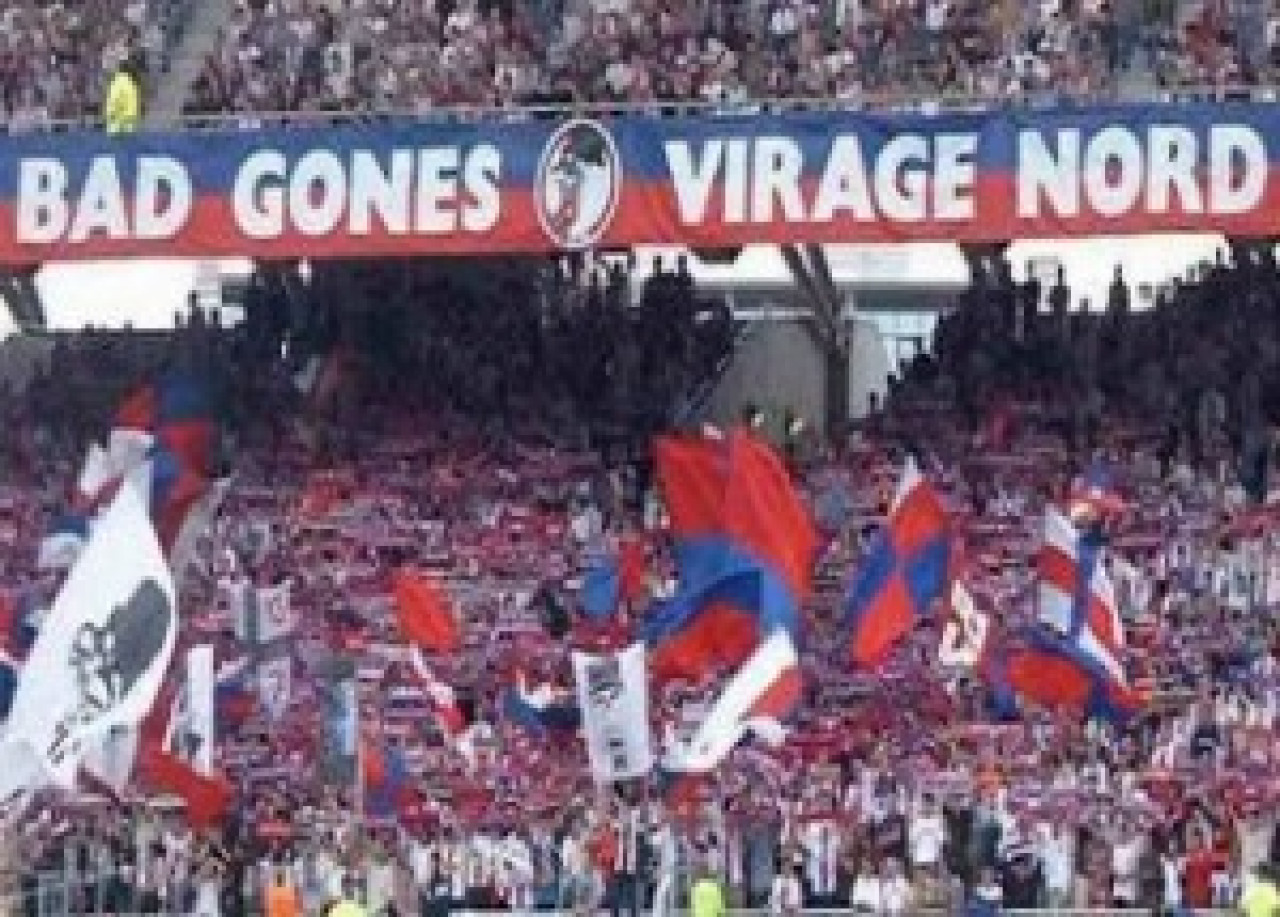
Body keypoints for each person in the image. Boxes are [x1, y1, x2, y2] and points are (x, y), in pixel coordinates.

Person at [104, 57, 141, 134]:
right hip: (131, 120)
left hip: (117, 122)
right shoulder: (131, 83)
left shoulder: (117, 81)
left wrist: (110, 114)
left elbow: (113, 99)